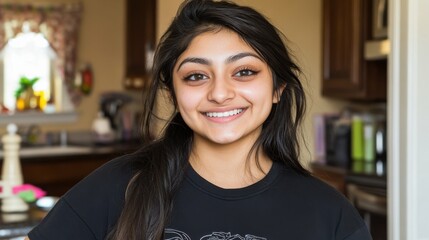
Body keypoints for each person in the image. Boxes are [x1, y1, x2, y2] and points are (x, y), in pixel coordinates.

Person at [27, 0, 372, 239]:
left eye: (245, 72)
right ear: (174, 91)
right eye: (195, 76)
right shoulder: (118, 186)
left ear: (278, 87)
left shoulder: (329, 214)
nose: (220, 93)